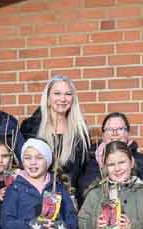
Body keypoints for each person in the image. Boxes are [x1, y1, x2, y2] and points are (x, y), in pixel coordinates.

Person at [18, 75, 92, 203]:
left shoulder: (81, 131)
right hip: (35, 200)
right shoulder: (30, 127)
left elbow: (84, 171)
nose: (62, 99)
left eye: (68, 94)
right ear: (47, 98)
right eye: (57, 93)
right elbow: (22, 165)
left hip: (69, 201)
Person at [85, 112, 143, 195]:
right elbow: (85, 193)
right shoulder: (91, 162)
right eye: (109, 129)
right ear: (103, 135)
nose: (115, 133)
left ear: (127, 133)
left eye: (120, 129)